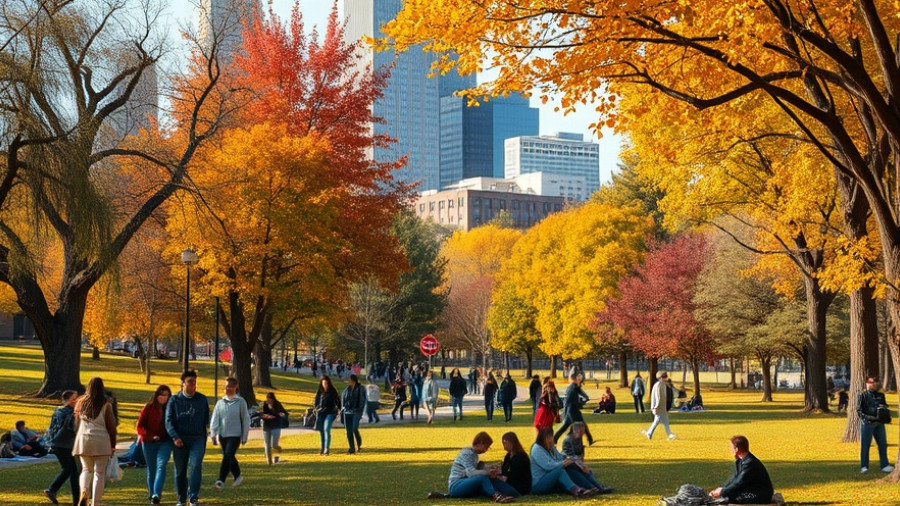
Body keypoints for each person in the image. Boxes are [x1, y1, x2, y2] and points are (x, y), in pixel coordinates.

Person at [426, 432, 517, 502]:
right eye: (486, 447)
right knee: (482, 478)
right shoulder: (467, 453)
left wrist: (489, 469)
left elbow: (476, 468)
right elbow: (471, 473)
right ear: (480, 443)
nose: (486, 450)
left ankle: (509, 493)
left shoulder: (474, 454)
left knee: (486, 481)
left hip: (464, 482)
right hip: (456, 485)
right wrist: (486, 472)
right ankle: (496, 496)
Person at [166, 369, 210, 506]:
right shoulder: (174, 400)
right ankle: (181, 499)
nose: (193, 385)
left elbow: (206, 419)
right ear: (183, 384)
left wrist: (206, 433)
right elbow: (168, 421)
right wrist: (175, 437)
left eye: (195, 382)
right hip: (180, 439)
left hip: (197, 438)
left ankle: (193, 497)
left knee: (196, 465)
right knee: (180, 471)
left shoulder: (202, 399)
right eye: (190, 382)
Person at [72, 377, 117, 506]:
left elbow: (76, 424)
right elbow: (111, 426)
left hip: (84, 441)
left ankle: (84, 491)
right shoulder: (106, 404)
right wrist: (113, 445)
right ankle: (95, 503)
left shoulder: (81, 402)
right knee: (99, 473)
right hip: (101, 442)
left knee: (86, 469)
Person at [210, 376, 250, 491]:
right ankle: (237, 476)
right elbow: (215, 418)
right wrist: (213, 434)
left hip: (235, 434)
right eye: (227, 386)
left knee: (227, 455)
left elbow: (246, 419)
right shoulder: (220, 402)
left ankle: (221, 480)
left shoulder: (240, 401)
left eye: (231, 387)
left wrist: (244, 436)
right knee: (229, 456)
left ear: (235, 387)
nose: (229, 389)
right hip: (223, 435)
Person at [530, 427, 594, 497]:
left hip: (550, 479)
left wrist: (572, 460)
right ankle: (576, 490)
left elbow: (560, 457)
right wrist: (563, 463)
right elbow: (548, 466)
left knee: (572, 467)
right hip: (539, 483)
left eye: (552, 436)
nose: (552, 439)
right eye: (549, 437)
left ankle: (591, 486)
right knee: (560, 470)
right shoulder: (537, 449)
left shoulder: (550, 447)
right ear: (544, 438)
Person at [709, 436, 775, 504]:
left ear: (736, 449)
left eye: (731, 448)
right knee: (727, 496)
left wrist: (723, 491)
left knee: (730, 498)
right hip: (750, 491)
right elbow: (735, 480)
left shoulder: (749, 463)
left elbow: (740, 482)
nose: (731, 450)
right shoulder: (741, 461)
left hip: (760, 495)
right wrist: (723, 489)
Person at [137, 385, 173, 504]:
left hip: (166, 442)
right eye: (161, 395)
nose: (163, 397)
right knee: (152, 470)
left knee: (161, 465)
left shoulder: (171, 408)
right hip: (148, 442)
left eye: (166, 395)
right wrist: (150, 436)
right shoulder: (148, 408)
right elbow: (139, 427)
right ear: (157, 395)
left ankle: (156, 493)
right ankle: (152, 496)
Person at [44, 390, 80, 506]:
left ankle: (55, 490)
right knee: (72, 470)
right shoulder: (71, 413)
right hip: (65, 444)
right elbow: (74, 429)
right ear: (69, 400)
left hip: (56, 443)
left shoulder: (57, 410)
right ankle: (53, 489)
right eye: (74, 398)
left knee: (71, 469)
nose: (77, 400)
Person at [561, 422, 613, 494]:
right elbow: (570, 456)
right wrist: (582, 466)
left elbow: (579, 454)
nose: (584, 433)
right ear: (577, 430)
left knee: (587, 472)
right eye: (582, 431)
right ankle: (593, 487)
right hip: (569, 463)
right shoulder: (568, 439)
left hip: (575, 462)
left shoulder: (578, 438)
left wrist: (582, 464)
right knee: (581, 471)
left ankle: (598, 486)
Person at [857, 376, 895, 473]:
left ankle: (884, 464)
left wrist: (883, 412)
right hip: (867, 424)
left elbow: (885, 406)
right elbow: (859, 411)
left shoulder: (880, 395)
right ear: (867, 383)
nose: (873, 384)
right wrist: (871, 417)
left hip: (879, 424)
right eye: (870, 382)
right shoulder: (863, 395)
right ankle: (864, 466)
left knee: (882, 444)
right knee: (865, 445)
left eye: (875, 382)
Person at [554, 371, 593, 445]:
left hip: (571, 410)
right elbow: (571, 401)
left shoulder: (573, 387)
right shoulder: (572, 388)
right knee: (582, 425)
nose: (580, 380)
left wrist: (585, 399)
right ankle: (588, 440)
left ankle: (555, 438)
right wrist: (582, 403)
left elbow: (583, 395)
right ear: (575, 379)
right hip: (573, 411)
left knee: (565, 426)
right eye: (579, 379)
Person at [642, 371, 676, 440]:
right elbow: (658, 396)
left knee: (660, 421)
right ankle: (669, 435)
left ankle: (650, 433)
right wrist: (656, 407)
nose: (667, 378)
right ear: (663, 377)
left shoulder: (659, 384)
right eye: (666, 376)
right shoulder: (661, 384)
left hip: (661, 407)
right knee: (660, 421)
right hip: (659, 407)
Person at [314, 375, 341, 456]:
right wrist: (316, 408)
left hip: (331, 413)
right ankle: (323, 448)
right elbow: (316, 402)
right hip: (321, 413)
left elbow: (338, 402)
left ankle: (326, 448)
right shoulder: (320, 392)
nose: (325, 385)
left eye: (326, 383)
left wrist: (339, 410)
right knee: (322, 431)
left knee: (326, 429)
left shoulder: (333, 392)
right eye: (323, 383)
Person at [500, 432, 531, 496]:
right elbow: (504, 470)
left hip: (520, 487)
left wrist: (505, 477)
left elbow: (516, 474)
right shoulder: (508, 456)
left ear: (512, 443)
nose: (504, 445)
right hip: (512, 483)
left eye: (505, 443)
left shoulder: (521, 457)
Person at [341, 374, 366, 454]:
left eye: (349, 379)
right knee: (348, 431)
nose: (348, 381)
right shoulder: (346, 390)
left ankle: (359, 445)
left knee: (354, 428)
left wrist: (360, 410)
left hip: (356, 412)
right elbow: (343, 400)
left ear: (352, 380)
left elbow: (362, 400)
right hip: (347, 412)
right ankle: (351, 448)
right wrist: (343, 408)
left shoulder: (360, 389)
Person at [261, 392, 287, 465]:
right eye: (267, 399)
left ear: (273, 399)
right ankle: (269, 462)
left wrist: (281, 414)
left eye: (270, 399)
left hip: (276, 425)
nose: (269, 401)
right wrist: (265, 416)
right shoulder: (265, 404)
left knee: (274, 444)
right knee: (267, 444)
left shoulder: (277, 404)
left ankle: (278, 451)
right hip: (267, 425)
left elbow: (284, 412)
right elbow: (261, 413)